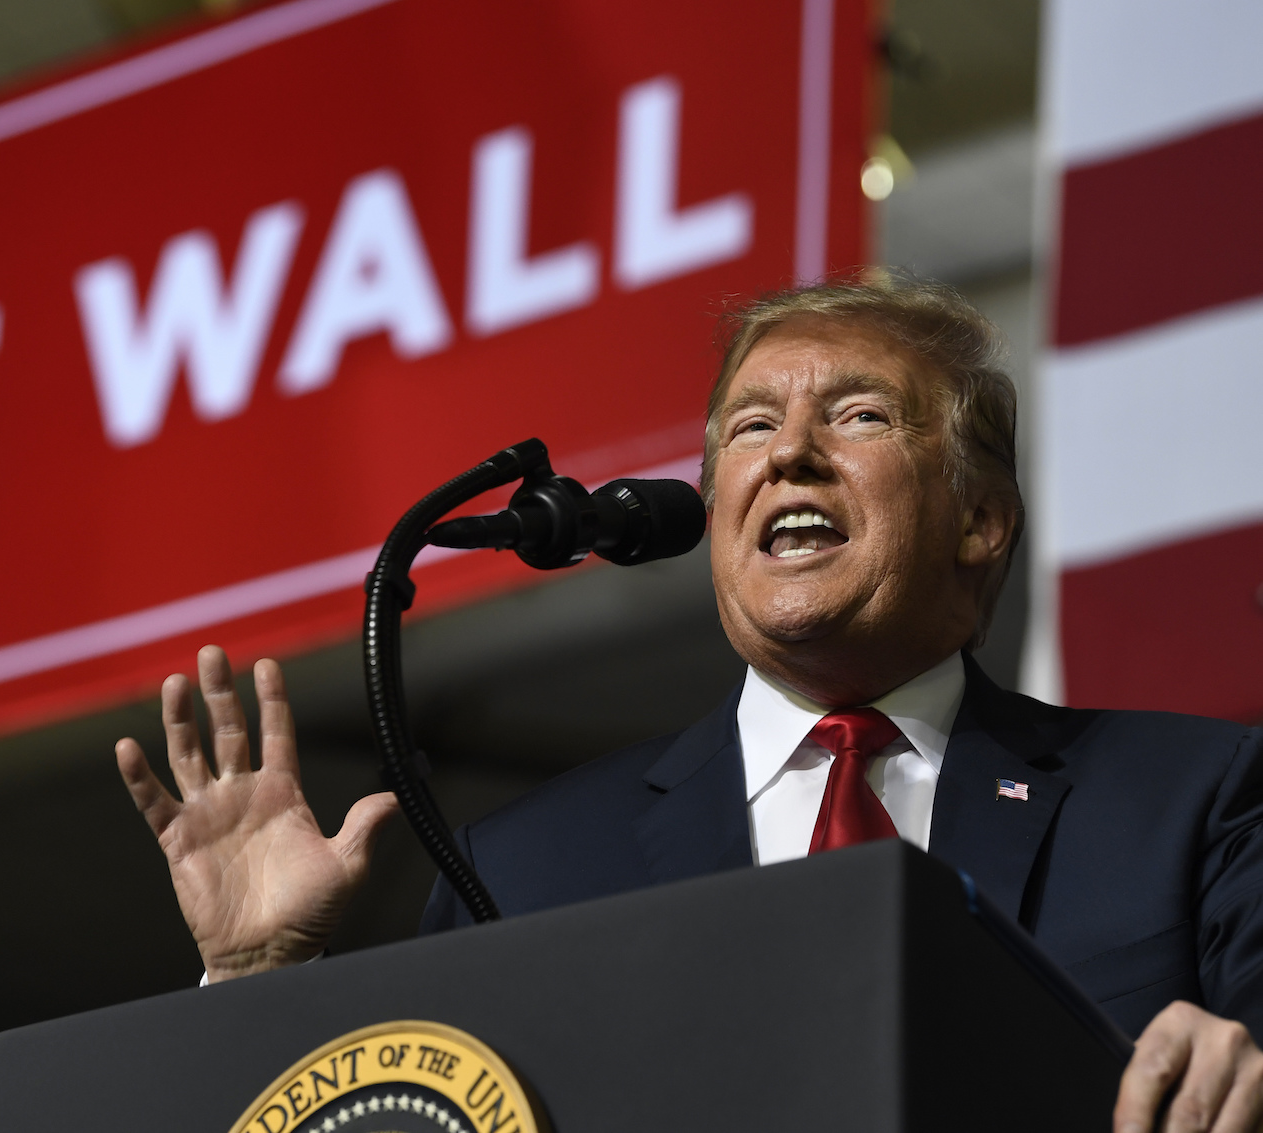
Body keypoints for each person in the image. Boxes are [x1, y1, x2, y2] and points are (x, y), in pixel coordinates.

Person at [115, 279, 1263, 1133]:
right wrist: (259, 986)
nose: (792, 454)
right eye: (749, 428)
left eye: (860, 416)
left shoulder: (1191, 802)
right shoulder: (527, 867)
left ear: (979, 520)